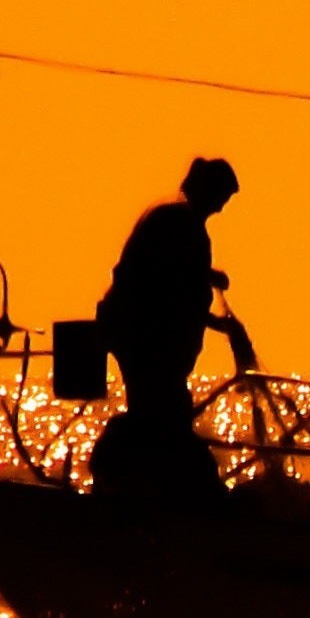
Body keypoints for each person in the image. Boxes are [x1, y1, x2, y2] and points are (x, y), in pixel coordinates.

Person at [91, 158, 245, 501]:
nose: (221, 208)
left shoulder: (173, 221)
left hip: (140, 337)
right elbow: (168, 290)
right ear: (208, 192)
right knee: (163, 414)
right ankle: (155, 491)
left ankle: (136, 485)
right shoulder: (180, 225)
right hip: (146, 342)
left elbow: (172, 276)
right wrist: (218, 322)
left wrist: (208, 277)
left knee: (156, 411)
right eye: (222, 197)